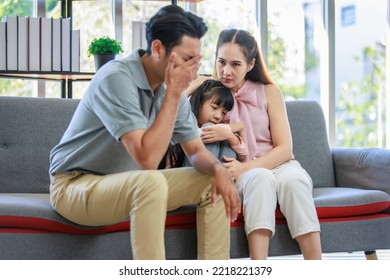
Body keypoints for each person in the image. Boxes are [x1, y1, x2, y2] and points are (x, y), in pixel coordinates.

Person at [48, 5, 241, 260]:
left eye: (196, 61)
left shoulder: (171, 87)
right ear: (158, 49)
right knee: (151, 180)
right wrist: (173, 94)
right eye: (186, 60)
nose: (193, 72)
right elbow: (147, 160)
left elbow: (194, 151)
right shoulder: (117, 78)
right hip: (75, 185)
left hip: (130, 184)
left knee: (211, 179)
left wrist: (217, 169)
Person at [190, 29, 322, 259]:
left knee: (295, 180)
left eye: (235, 64)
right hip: (238, 167)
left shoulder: (269, 92)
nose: (226, 71)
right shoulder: (210, 94)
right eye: (221, 62)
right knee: (260, 179)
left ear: (250, 64)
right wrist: (191, 86)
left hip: (276, 163)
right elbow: (180, 120)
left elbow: (284, 149)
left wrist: (245, 164)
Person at [160, 79, 248, 169]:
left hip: (217, 176)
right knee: (212, 130)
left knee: (225, 135)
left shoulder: (220, 130)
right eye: (214, 107)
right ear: (199, 102)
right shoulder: (183, 123)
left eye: (224, 113)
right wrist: (190, 90)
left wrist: (230, 136)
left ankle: (223, 179)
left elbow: (244, 155)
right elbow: (170, 111)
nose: (218, 116)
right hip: (185, 177)